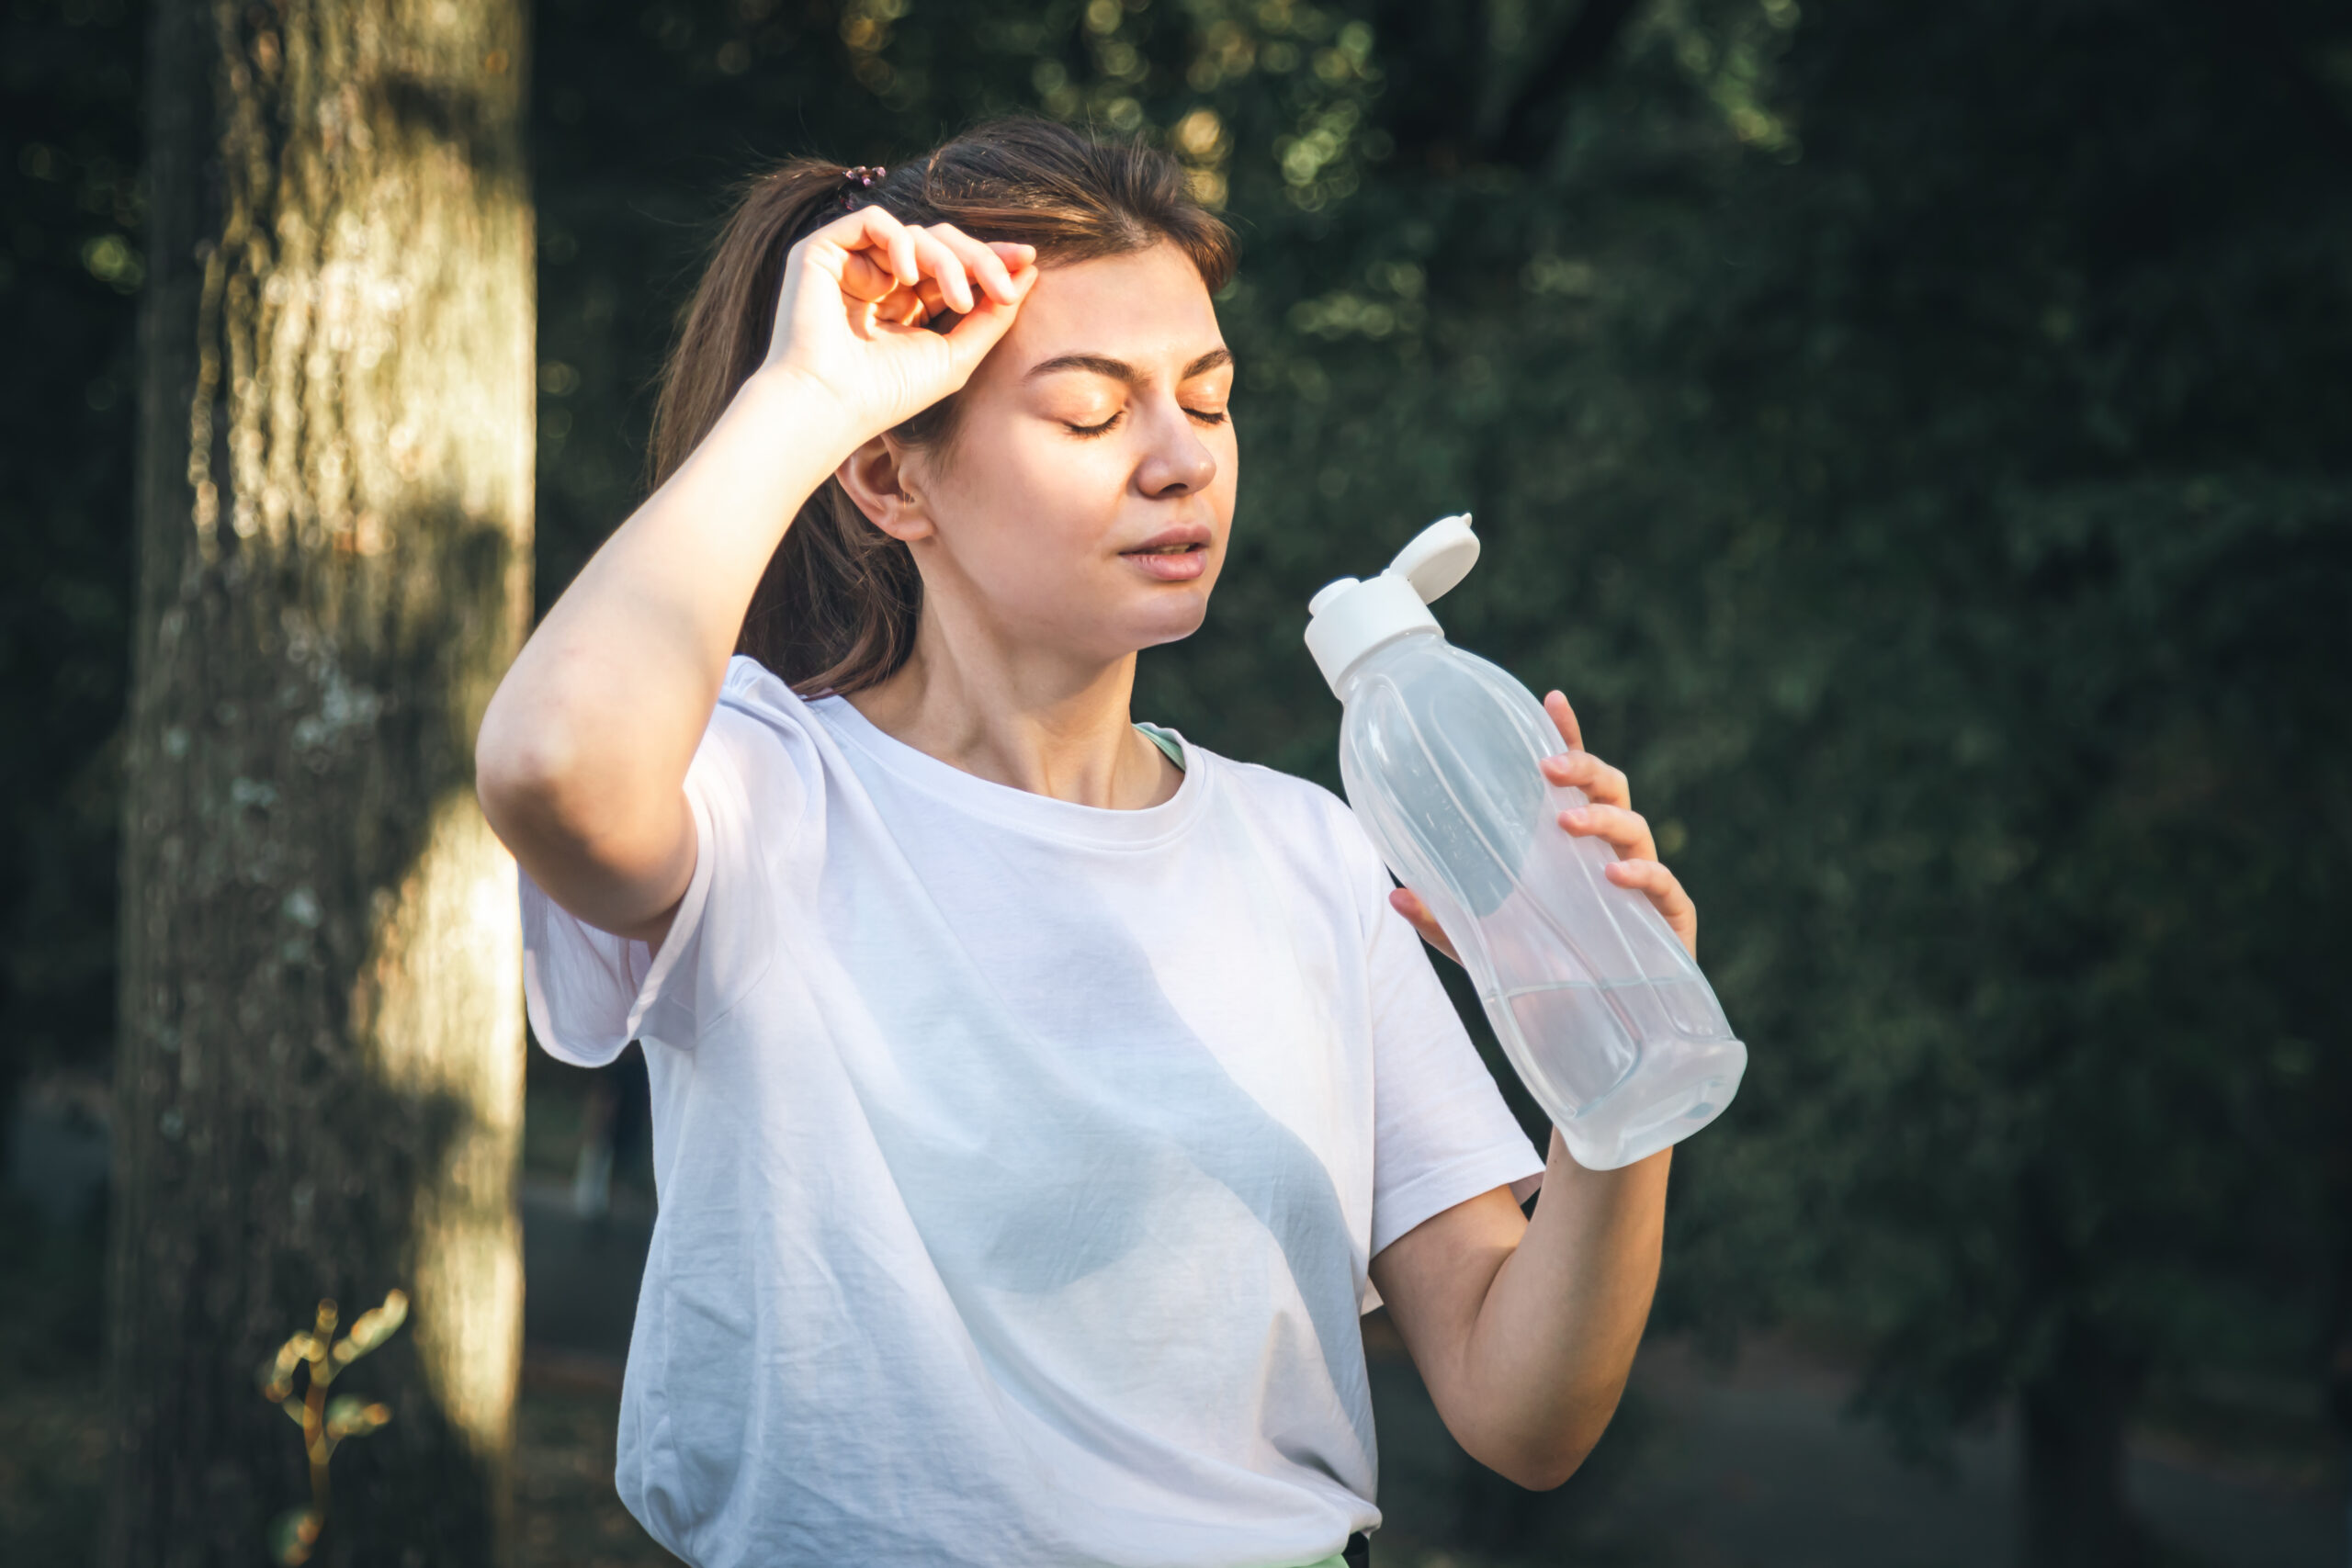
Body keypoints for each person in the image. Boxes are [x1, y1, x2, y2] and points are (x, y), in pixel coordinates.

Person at [476, 118, 1698, 1568]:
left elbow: (1524, 1411)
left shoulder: (1310, 858)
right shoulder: (761, 791)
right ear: (889, 481)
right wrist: (810, 392)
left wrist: (1611, 1065)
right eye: (1091, 412)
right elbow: (549, 766)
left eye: (1210, 396)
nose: (1183, 460)